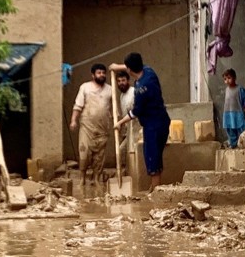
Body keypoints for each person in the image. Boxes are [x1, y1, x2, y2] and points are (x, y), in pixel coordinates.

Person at [110, 52, 170, 189]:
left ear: (130, 70)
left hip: (153, 125)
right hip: (162, 121)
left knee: (152, 156)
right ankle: (154, 186)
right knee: (155, 155)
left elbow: (135, 112)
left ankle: (155, 189)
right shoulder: (149, 72)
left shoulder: (142, 89)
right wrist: (116, 67)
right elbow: (133, 67)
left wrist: (119, 123)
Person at [70, 63, 114, 192]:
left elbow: (113, 107)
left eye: (103, 72)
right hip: (87, 127)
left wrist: (117, 121)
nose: (101, 75)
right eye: (99, 72)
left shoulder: (109, 89)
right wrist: (73, 120)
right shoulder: (85, 87)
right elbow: (77, 106)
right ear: (93, 75)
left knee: (99, 156)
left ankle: (96, 179)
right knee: (84, 153)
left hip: (103, 128)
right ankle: (82, 178)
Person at [221, 68, 245, 148]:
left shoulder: (239, 89)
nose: (227, 81)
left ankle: (242, 144)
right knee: (230, 129)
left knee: (240, 128)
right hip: (228, 113)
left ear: (234, 78)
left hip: (238, 112)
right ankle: (233, 144)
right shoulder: (226, 90)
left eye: (229, 78)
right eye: (225, 79)